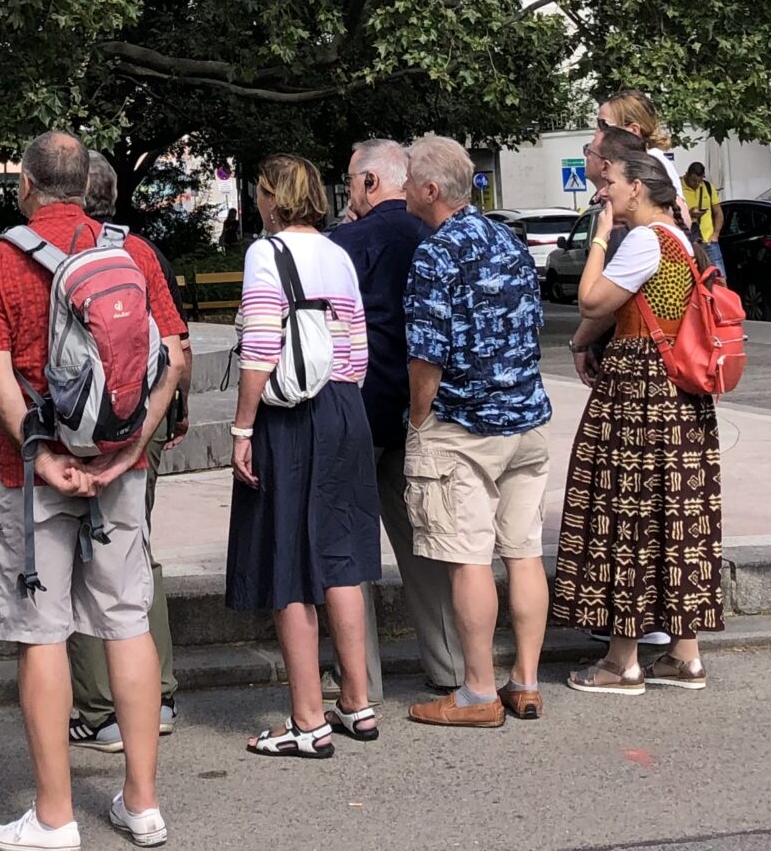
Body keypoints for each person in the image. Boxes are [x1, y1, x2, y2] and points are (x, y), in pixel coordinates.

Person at [0, 131, 186, 851]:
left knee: (43, 633)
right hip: (119, 468)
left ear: (26, 184)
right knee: (127, 623)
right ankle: (143, 804)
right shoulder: (134, 251)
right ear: (87, 180)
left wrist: (41, 457)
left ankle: (56, 817)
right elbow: (174, 357)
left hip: (29, 472)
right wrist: (129, 450)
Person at [554, 147, 725, 694]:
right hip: (678, 394)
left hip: (640, 392)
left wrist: (601, 236)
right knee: (674, 516)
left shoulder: (647, 239)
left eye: (612, 184)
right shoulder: (680, 238)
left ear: (639, 188)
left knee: (626, 514)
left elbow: (590, 301)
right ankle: (685, 655)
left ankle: (621, 661)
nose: (603, 192)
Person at [227, 156, 380, 756]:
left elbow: (262, 344)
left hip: (290, 416)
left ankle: (306, 719)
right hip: (344, 405)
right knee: (339, 555)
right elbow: (358, 345)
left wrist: (243, 427)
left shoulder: (267, 253)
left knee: (288, 558)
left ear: (271, 197)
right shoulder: (338, 253)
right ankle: (357, 702)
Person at [400, 134, 552, 729]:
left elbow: (425, 358)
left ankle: (477, 692)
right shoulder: (508, 241)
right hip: (527, 419)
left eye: (410, 178)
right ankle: (528, 683)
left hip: (466, 426)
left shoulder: (435, 255)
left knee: (468, 558)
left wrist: (419, 422)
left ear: (431, 191)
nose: (404, 187)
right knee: (523, 553)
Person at [329, 137, 460, 705]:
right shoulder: (435, 235)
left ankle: (363, 681)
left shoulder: (346, 243)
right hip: (420, 411)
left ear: (367, 182)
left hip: (358, 411)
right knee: (424, 543)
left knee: (352, 547)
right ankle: (450, 664)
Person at [68, 150, 183, 753]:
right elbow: (176, 349)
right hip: (144, 424)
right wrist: (167, 421)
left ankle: (99, 707)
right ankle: (157, 694)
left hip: (74, 431)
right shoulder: (141, 252)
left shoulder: (53, 252)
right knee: (134, 550)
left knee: (87, 564)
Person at [681, 162, 725, 277]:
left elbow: (718, 213)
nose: (696, 184)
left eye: (699, 181)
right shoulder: (678, 188)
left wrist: (715, 234)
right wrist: (689, 214)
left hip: (709, 241)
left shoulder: (708, 187)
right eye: (693, 180)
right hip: (688, 243)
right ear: (687, 175)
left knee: (720, 277)